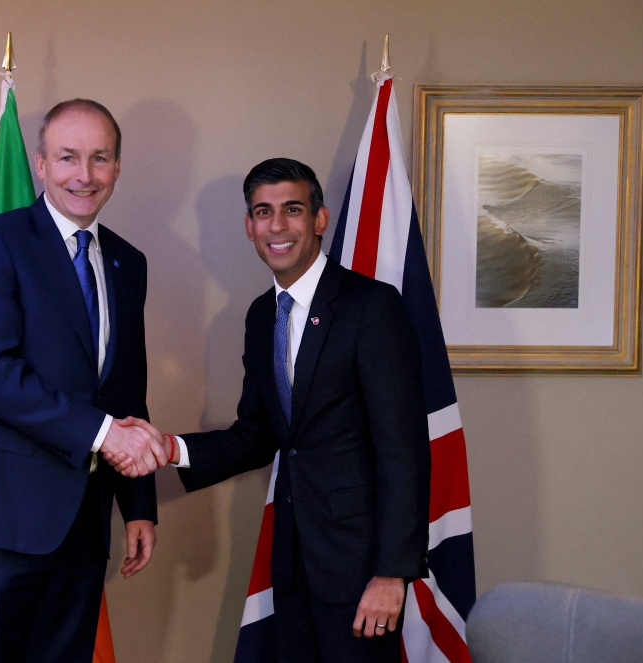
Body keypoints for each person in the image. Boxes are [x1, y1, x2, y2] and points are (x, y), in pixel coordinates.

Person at [107, 158, 431, 662]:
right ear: (249, 226)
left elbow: (403, 449)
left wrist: (392, 573)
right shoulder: (262, 316)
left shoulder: (371, 307)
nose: (277, 226)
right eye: (263, 212)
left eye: (292, 209)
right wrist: (170, 448)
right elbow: (259, 435)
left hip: (361, 565)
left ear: (319, 219)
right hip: (294, 559)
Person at [0, 98, 168, 663]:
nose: (84, 175)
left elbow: (125, 391)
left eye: (99, 158)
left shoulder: (128, 262)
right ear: (40, 164)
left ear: (117, 167)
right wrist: (106, 435)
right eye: (68, 157)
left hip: (83, 523)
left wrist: (138, 504)